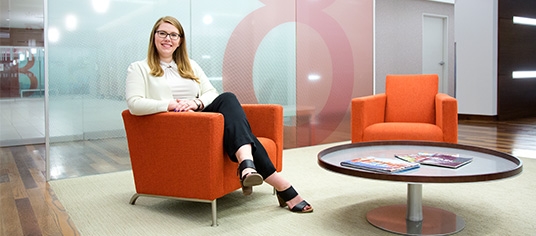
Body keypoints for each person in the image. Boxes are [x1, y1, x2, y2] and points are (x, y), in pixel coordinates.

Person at [125, 16, 312, 213]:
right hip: (176, 127)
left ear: (180, 40)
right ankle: (279, 184)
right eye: (162, 33)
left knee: (228, 98)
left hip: (202, 120)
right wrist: (171, 104)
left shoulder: (190, 65)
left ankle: (248, 166)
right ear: (154, 36)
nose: (167, 39)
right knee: (241, 131)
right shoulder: (139, 68)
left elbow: (211, 93)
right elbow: (135, 104)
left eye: (174, 35)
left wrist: (196, 102)